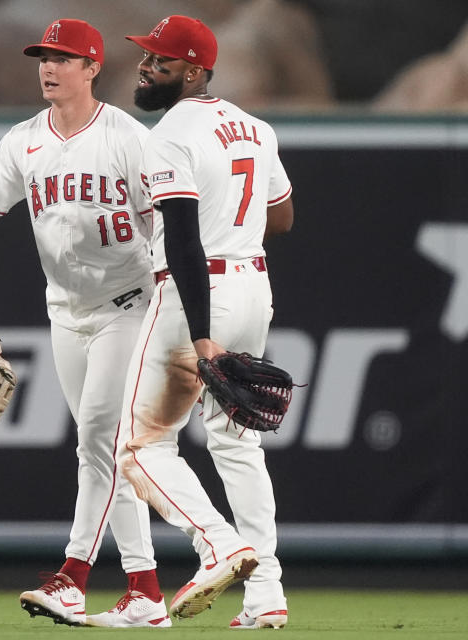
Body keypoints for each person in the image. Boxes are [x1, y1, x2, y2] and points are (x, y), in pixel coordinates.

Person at [0, 19, 169, 628]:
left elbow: (167, 218)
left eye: (62, 57)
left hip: (127, 306)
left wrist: (170, 297)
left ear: (91, 69)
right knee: (107, 451)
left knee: (97, 443)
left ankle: (74, 576)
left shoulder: (128, 137)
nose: (48, 67)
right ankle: (146, 591)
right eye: (43, 57)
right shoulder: (23, 140)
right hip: (65, 311)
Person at [119, 15, 294, 629]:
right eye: (146, 57)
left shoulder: (168, 135)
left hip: (200, 293)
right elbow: (283, 216)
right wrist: (235, 219)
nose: (145, 68)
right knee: (238, 443)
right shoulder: (255, 127)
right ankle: (267, 592)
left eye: (159, 61)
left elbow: (184, 243)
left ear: (193, 71)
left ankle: (218, 543)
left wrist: (200, 334)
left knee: (139, 448)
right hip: (253, 283)